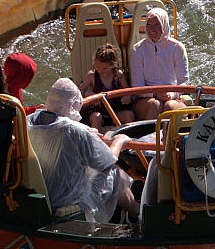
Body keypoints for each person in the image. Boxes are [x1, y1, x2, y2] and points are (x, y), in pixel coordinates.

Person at [27, 79, 139, 223]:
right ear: (71, 105)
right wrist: (119, 141)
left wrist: (87, 133)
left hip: (43, 191)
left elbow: (58, 130)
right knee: (115, 172)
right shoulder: (74, 130)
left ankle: (129, 207)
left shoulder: (31, 120)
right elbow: (106, 160)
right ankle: (135, 212)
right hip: (69, 200)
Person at [130, 7, 189, 121]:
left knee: (169, 106)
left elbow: (184, 81)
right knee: (155, 105)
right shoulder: (138, 49)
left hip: (172, 97)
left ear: (164, 25)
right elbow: (137, 86)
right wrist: (154, 94)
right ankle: (150, 137)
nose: (152, 29)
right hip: (146, 99)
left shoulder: (177, 48)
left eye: (156, 25)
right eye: (149, 25)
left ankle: (165, 138)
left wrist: (171, 94)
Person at [78, 43, 135, 132]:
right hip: (98, 112)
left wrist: (128, 96)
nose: (100, 70)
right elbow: (77, 92)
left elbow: (127, 90)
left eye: (105, 68)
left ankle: (128, 141)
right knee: (96, 117)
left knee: (129, 115)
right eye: (97, 66)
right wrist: (87, 94)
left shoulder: (118, 75)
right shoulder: (92, 75)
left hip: (115, 113)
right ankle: (97, 141)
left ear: (112, 65)